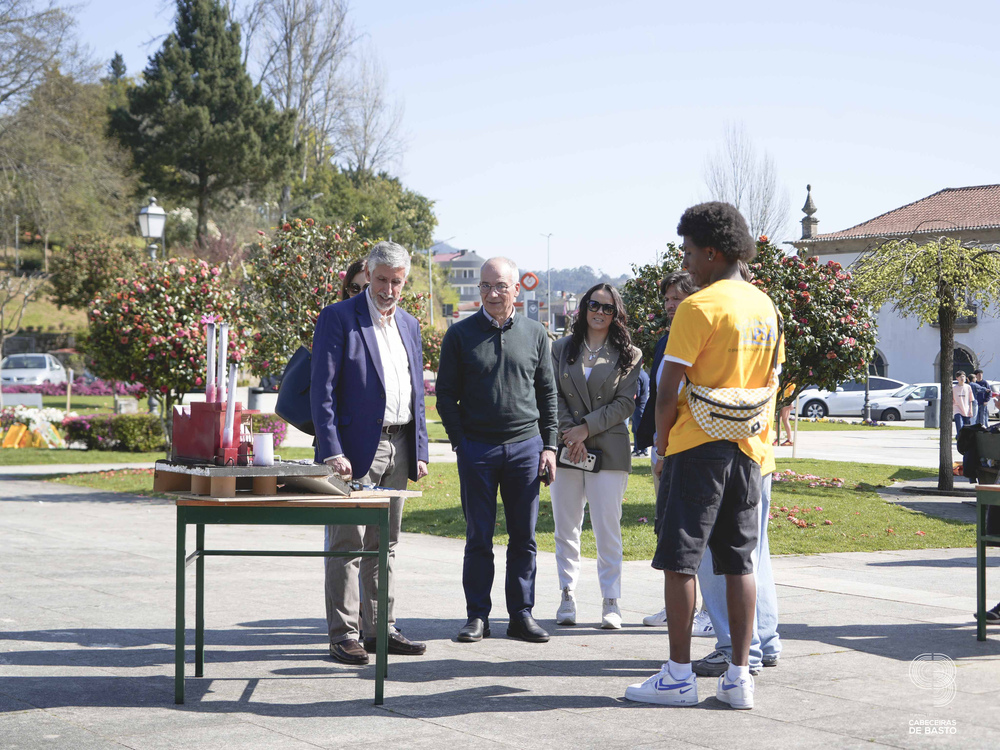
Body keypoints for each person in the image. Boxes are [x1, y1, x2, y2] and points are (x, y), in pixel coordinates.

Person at [625, 202, 782, 711]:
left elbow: (667, 390)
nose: (686, 262)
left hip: (697, 448)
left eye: (691, 252)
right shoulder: (765, 306)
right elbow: (770, 382)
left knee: (680, 563)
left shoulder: (699, 307)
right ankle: (739, 679)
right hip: (748, 450)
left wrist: (665, 447)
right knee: (740, 563)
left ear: (713, 253)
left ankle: (677, 676)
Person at [311, 240, 430, 665]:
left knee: (387, 543)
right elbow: (321, 392)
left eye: (397, 281)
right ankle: (343, 635)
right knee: (347, 543)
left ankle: (381, 629)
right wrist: (331, 450)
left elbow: (415, 393)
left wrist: (419, 449)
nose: (389, 288)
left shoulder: (411, 326)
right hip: (354, 451)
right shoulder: (339, 317)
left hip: (399, 445)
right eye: (382, 279)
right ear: (368, 274)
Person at [436, 257, 559, 644]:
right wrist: (461, 441)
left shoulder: (537, 333)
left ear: (516, 290)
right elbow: (445, 395)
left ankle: (521, 614)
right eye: (486, 286)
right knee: (478, 538)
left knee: (524, 538)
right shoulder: (459, 335)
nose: (492, 293)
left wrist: (550, 445)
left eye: (500, 286)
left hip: (525, 448)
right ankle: (477, 616)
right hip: (478, 450)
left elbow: (548, 394)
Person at [550, 283, 642, 629]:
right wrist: (569, 433)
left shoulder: (629, 354)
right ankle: (567, 595)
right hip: (566, 448)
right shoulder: (560, 349)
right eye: (594, 305)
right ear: (583, 308)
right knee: (566, 526)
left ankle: (611, 601)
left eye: (607, 307)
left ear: (616, 313)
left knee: (608, 528)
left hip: (610, 448)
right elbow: (552, 395)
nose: (600, 312)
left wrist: (585, 429)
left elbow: (625, 403)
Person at [634, 270, 712, 634]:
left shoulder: (701, 335)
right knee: (671, 534)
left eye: (676, 299)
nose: (669, 305)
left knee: (699, 538)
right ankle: (681, 607)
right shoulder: (666, 339)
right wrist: (653, 441)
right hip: (664, 444)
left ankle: (711, 614)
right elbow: (655, 395)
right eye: (666, 300)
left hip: (689, 446)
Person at [692, 421, 782, 678]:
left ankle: (737, 649)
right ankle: (764, 642)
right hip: (758, 451)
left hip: (717, 454)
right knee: (756, 557)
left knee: (720, 559)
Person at [632, 368, 649, 456]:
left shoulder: (637, 376)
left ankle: (643, 449)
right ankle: (637, 448)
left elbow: (635, 394)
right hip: (642, 405)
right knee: (636, 429)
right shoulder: (645, 374)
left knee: (638, 429)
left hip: (638, 406)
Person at [954, 371, 975, 438]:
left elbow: (970, 400)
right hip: (957, 409)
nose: (962, 378)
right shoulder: (954, 388)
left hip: (966, 409)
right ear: (957, 378)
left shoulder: (968, 387)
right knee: (959, 425)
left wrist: (971, 410)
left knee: (967, 427)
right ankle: (960, 438)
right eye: (960, 377)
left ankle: (966, 440)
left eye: (963, 376)